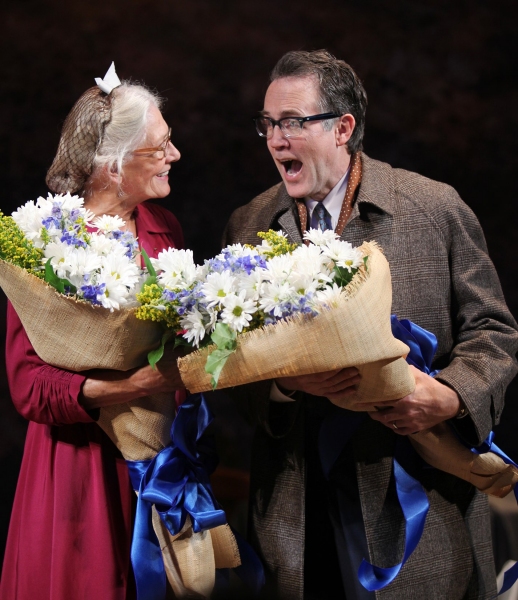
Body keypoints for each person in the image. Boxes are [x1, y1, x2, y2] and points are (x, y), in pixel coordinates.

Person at [223, 50, 518, 600]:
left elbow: (494, 334)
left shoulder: (434, 208)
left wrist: (451, 396)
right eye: (268, 123)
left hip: (419, 511)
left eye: (293, 122)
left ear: (344, 128)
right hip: (296, 513)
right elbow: (230, 374)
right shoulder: (248, 225)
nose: (275, 139)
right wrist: (285, 386)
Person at [0, 68, 186, 600]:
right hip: (76, 468)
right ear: (112, 163)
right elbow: (28, 385)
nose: (174, 155)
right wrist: (130, 389)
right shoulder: (41, 242)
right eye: (160, 147)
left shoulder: (164, 227)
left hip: (156, 457)